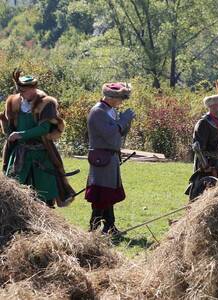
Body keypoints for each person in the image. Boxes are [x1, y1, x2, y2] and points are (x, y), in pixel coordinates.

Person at [0, 70, 75, 208]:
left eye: (24, 91)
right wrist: (11, 134)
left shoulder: (46, 103)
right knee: (13, 188)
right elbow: (7, 123)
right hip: (20, 153)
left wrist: (20, 134)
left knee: (44, 193)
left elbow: (44, 129)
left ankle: (44, 221)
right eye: (20, 91)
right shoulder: (14, 102)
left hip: (41, 154)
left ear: (33, 89)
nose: (21, 94)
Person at [85, 82, 135, 235]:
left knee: (109, 194)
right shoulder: (98, 111)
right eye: (120, 98)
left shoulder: (110, 111)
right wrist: (122, 121)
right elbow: (108, 133)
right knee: (101, 194)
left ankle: (110, 227)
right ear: (112, 98)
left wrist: (127, 122)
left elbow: (118, 133)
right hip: (102, 157)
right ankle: (93, 228)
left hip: (110, 157)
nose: (122, 102)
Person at [185, 93, 218, 200]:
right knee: (202, 193)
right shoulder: (203, 123)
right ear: (211, 106)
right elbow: (197, 147)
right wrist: (206, 166)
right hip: (208, 163)